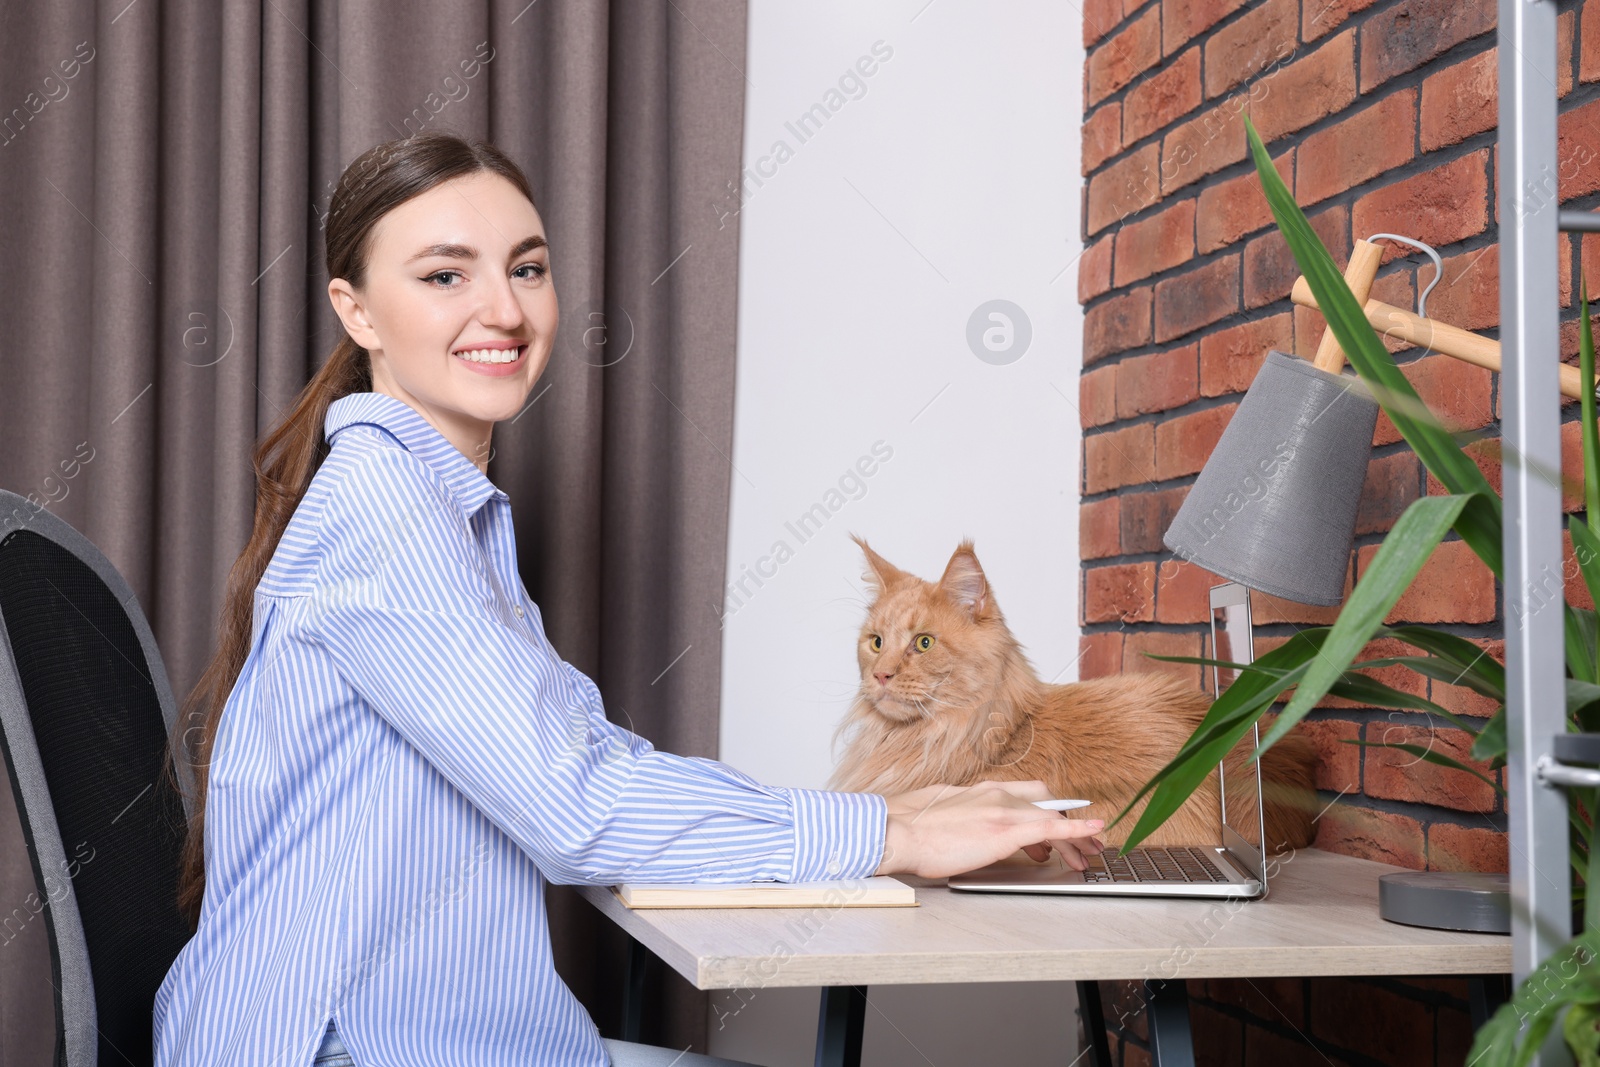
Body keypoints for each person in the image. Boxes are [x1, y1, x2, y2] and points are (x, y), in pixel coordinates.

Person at [151, 132, 1105, 1067]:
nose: (504, 308)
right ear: (356, 312)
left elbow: (596, 757)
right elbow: (577, 804)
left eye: (526, 268)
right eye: (446, 275)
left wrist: (900, 808)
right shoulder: (384, 515)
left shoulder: (449, 517)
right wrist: (893, 833)